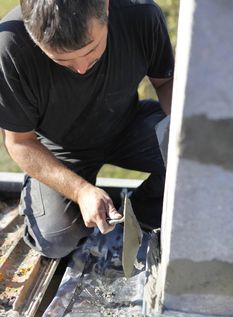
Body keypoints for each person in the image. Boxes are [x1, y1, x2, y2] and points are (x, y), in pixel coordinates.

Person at [0, 0, 174, 258]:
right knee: (56, 239)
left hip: (129, 125)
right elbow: (19, 142)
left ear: (105, 7)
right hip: (59, 149)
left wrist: (186, 144)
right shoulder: (10, 47)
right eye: (62, 60)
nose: (81, 68)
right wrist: (80, 191)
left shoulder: (141, 14)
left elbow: (166, 82)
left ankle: (138, 217)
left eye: (91, 50)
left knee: (204, 155)